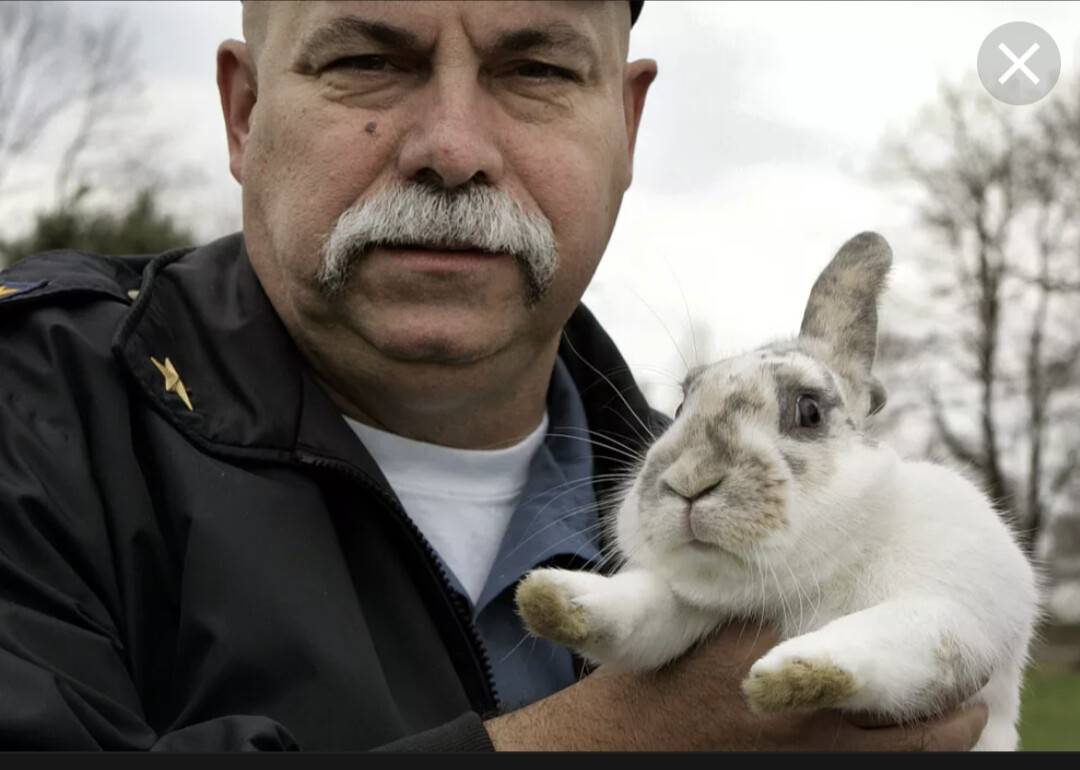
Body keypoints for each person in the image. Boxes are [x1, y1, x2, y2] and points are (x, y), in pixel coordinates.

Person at [0, 0, 989, 752]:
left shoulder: (771, 523)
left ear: (628, 127)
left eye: (537, 68)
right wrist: (625, 734)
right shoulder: (38, 408)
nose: (453, 151)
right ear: (244, 111)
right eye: (367, 61)